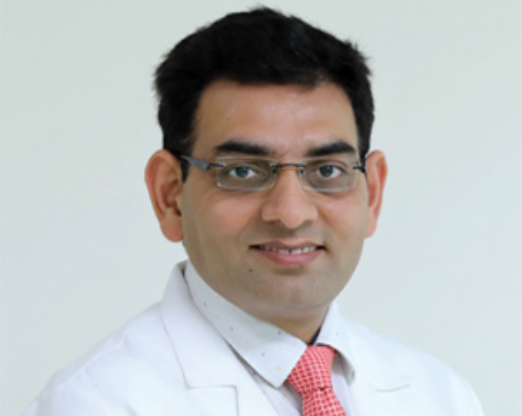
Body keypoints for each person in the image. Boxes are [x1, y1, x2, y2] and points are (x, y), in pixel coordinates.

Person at [23, 7, 484, 416]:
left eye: (327, 170)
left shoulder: (441, 397)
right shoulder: (95, 404)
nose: (291, 214)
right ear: (170, 195)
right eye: (242, 171)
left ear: (373, 193)